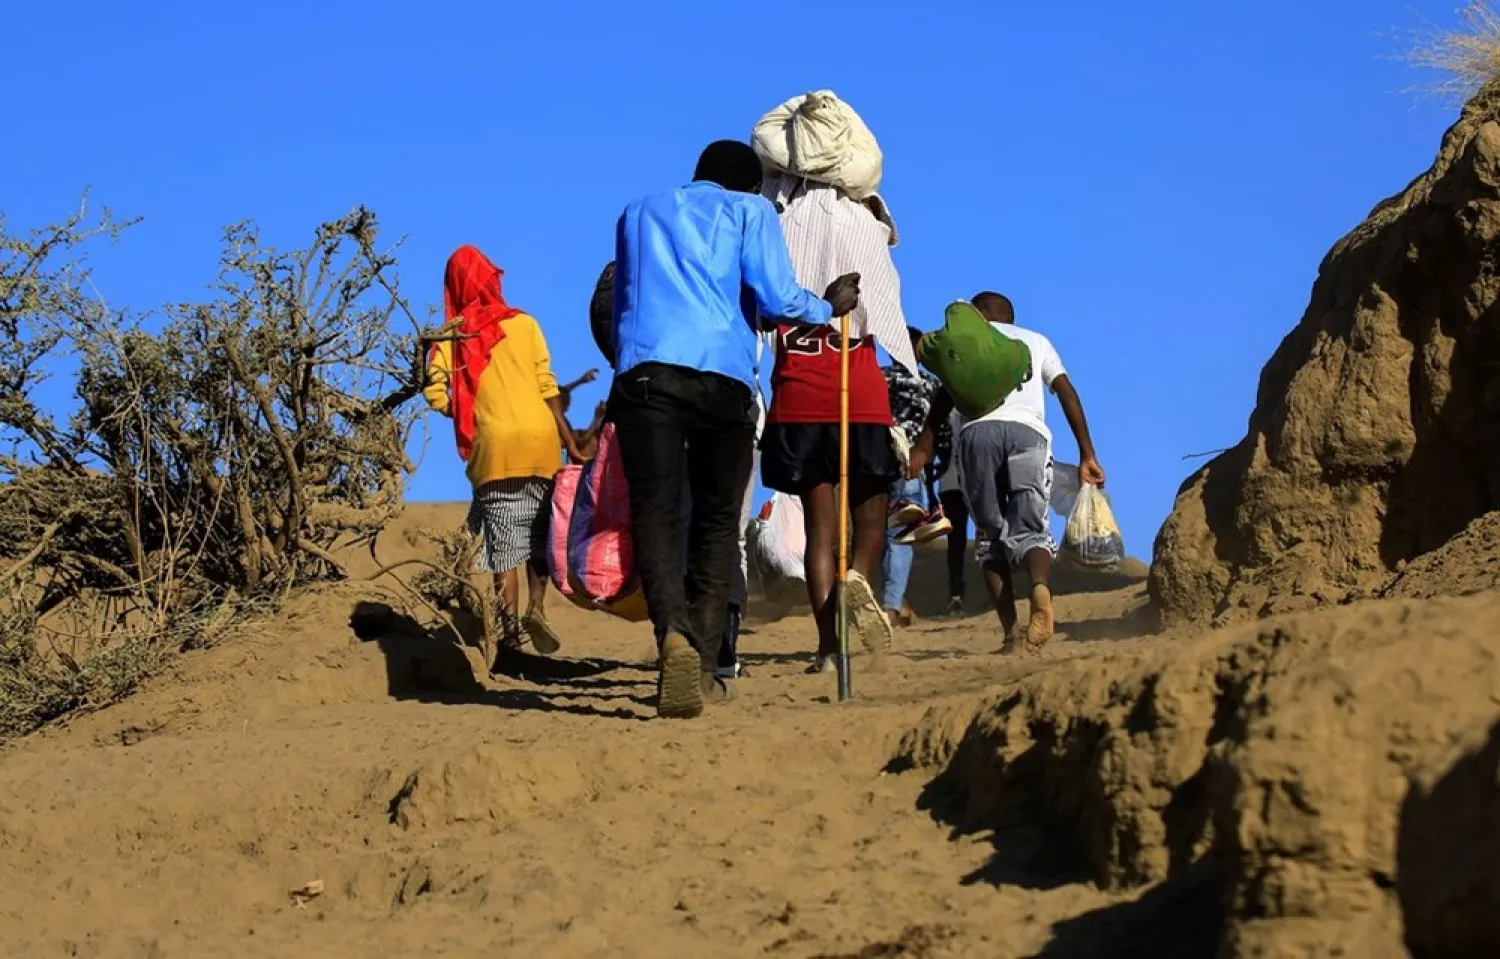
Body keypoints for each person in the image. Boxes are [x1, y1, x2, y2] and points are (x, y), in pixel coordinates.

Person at [610, 140, 859, 719]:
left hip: (645, 377)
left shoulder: (638, 211)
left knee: (657, 512)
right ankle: (698, 664)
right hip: (721, 382)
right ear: (749, 186)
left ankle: (670, 633)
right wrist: (827, 305)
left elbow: (626, 300)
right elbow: (775, 296)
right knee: (719, 525)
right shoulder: (752, 213)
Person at [758, 173, 917, 670]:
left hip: (800, 398)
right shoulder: (864, 224)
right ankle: (859, 581)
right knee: (871, 520)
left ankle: (829, 647)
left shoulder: (775, 227)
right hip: (860, 396)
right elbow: (888, 232)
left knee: (819, 530)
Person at [908, 291, 1105, 650]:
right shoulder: (1036, 341)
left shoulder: (968, 343)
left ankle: (1011, 636)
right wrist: (1087, 453)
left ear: (978, 315)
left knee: (988, 537)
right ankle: (1041, 590)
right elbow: (1067, 393)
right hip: (1029, 435)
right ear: (1010, 318)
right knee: (1032, 528)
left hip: (976, 437)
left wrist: (922, 448)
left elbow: (943, 400)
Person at [425, 245, 586, 667]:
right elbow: (547, 386)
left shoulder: (449, 337)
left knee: (503, 549)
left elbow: (435, 394)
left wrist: (465, 406)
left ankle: (511, 637)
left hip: (495, 448)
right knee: (539, 537)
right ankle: (538, 607)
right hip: (539, 440)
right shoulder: (525, 324)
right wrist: (569, 442)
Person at [880, 326, 950, 628]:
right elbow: (944, 433)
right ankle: (892, 607)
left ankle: (896, 602)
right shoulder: (932, 384)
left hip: (877, 461)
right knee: (900, 537)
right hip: (913, 463)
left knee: (882, 533)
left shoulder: (881, 378)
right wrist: (939, 465)